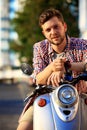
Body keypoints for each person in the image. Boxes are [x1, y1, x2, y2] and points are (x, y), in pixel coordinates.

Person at [17, 8, 87, 130]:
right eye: (48, 29)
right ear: (44, 33)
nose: (53, 32)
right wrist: (53, 66)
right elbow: (38, 78)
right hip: (47, 98)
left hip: (80, 97)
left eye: (56, 27)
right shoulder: (39, 47)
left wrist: (66, 66)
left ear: (64, 26)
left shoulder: (82, 44)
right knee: (23, 127)